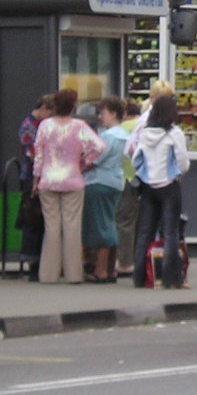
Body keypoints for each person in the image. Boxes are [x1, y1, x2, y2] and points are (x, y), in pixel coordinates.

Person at [32, 89, 104, 284]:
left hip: (48, 179)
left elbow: (38, 154)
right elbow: (99, 146)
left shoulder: (45, 126)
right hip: (72, 179)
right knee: (72, 227)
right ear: (73, 107)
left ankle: (48, 274)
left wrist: (36, 179)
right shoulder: (79, 126)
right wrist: (83, 163)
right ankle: (73, 274)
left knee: (52, 227)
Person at [131, 94, 190, 289]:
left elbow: (135, 159)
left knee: (145, 232)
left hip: (148, 187)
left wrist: (145, 174)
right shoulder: (175, 133)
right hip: (169, 187)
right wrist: (176, 172)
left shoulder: (145, 132)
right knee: (170, 232)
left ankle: (140, 277)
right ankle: (170, 278)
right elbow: (183, 162)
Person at [83, 97, 127, 283]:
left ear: (113, 113)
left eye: (103, 113)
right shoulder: (125, 136)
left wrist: (78, 168)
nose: (101, 117)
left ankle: (100, 270)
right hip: (117, 180)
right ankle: (111, 269)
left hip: (99, 181)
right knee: (110, 222)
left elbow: (93, 160)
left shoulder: (107, 137)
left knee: (100, 226)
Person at [16, 94, 55, 280]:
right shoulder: (28, 127)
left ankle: (41, 261)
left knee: (43, 221)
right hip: (31, 176)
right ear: (44, 108)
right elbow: (31, 153)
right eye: (50, 112)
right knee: (32, 219)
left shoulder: (41, 125)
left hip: (43, 175)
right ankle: (32, 263)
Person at [114, 99, 142, 277]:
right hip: (144, 178)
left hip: (126, 177)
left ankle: (125, 262)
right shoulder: (145, 124)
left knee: (124, 222)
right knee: (139, 221)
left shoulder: (122, 129)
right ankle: (139, 259)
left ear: (124, 113)